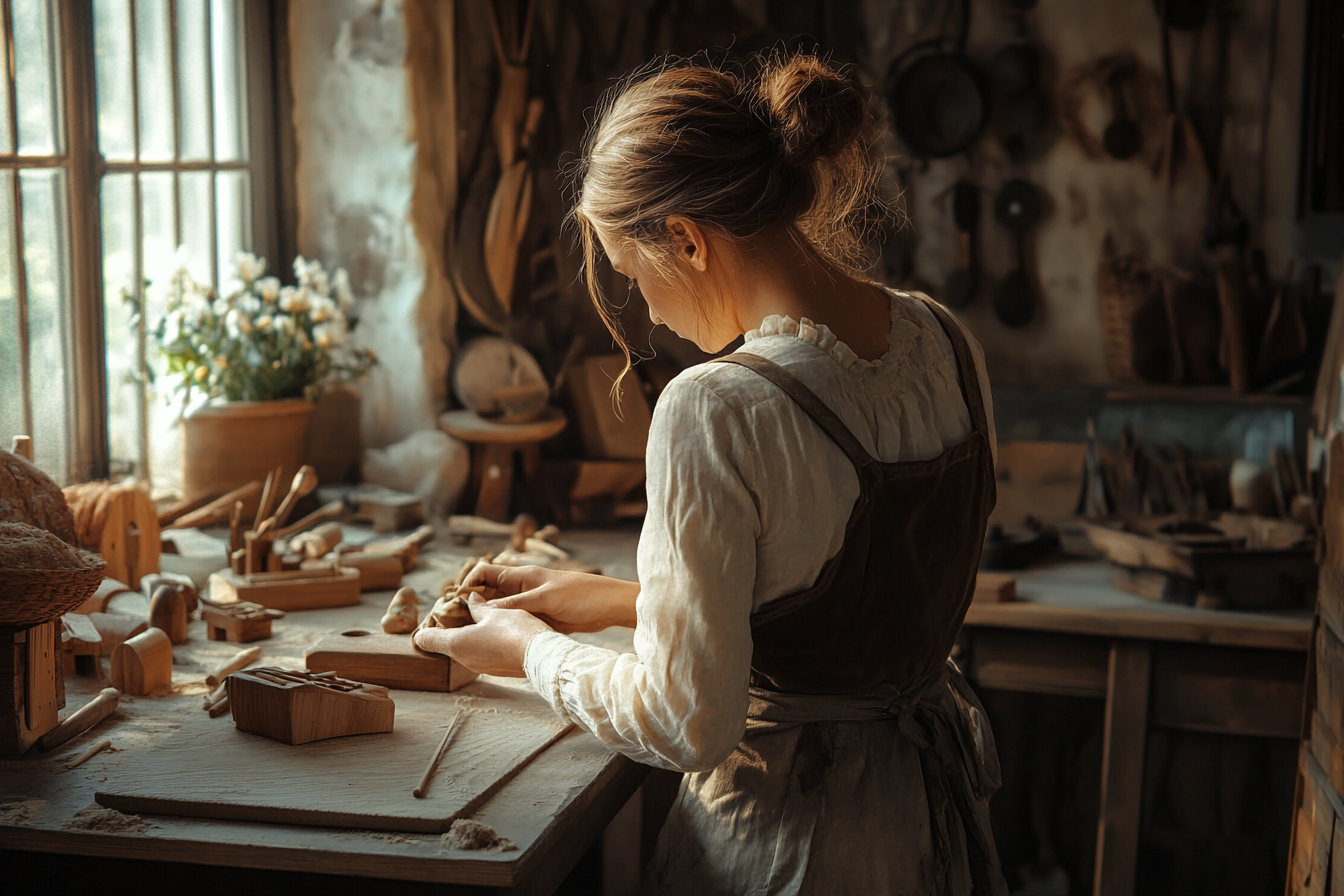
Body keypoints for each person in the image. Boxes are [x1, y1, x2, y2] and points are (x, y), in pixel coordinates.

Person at [414, 51, 1008, 895]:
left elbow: (684, 721)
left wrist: (530, 649)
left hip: (793, 846)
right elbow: (860, 613)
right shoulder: (947, 341)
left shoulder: (716, 407)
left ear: (687, 240)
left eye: (632, 278)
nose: (648, 314)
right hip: (931, 831)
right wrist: (619, 597)